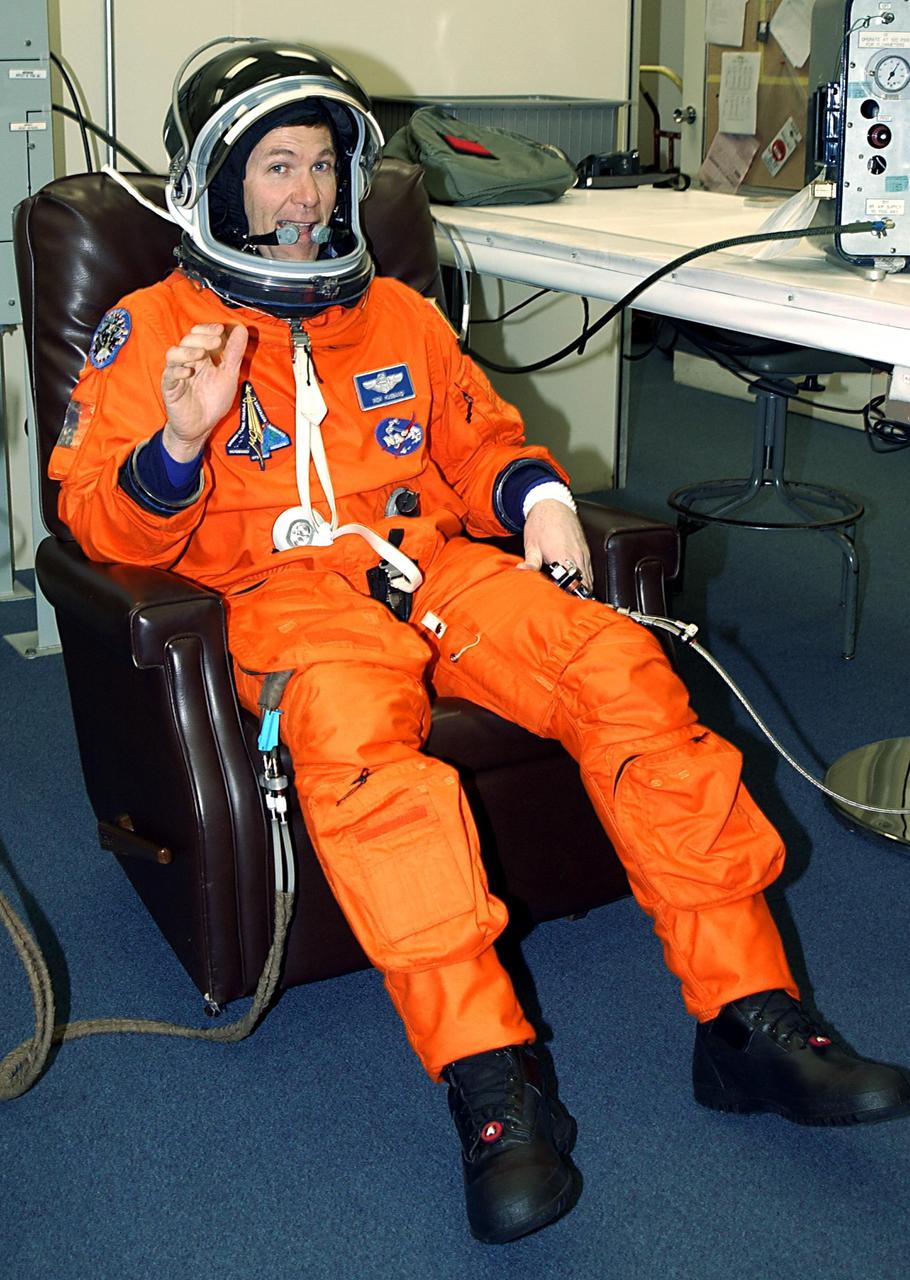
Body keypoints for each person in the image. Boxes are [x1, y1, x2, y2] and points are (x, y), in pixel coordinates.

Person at [50, 37, 910, 1245]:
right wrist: (181, 443)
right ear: (216, 184)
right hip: (282, 599)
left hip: (436, 568)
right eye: (276, 168)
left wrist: (540, 500)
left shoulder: (398, 314)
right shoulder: (153, 334)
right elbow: (98, 524)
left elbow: (481, 441)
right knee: (362, 750)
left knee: (621, 668)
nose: (304, 197)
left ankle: (751, 1019)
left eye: (321, 169)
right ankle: (493, 1085)